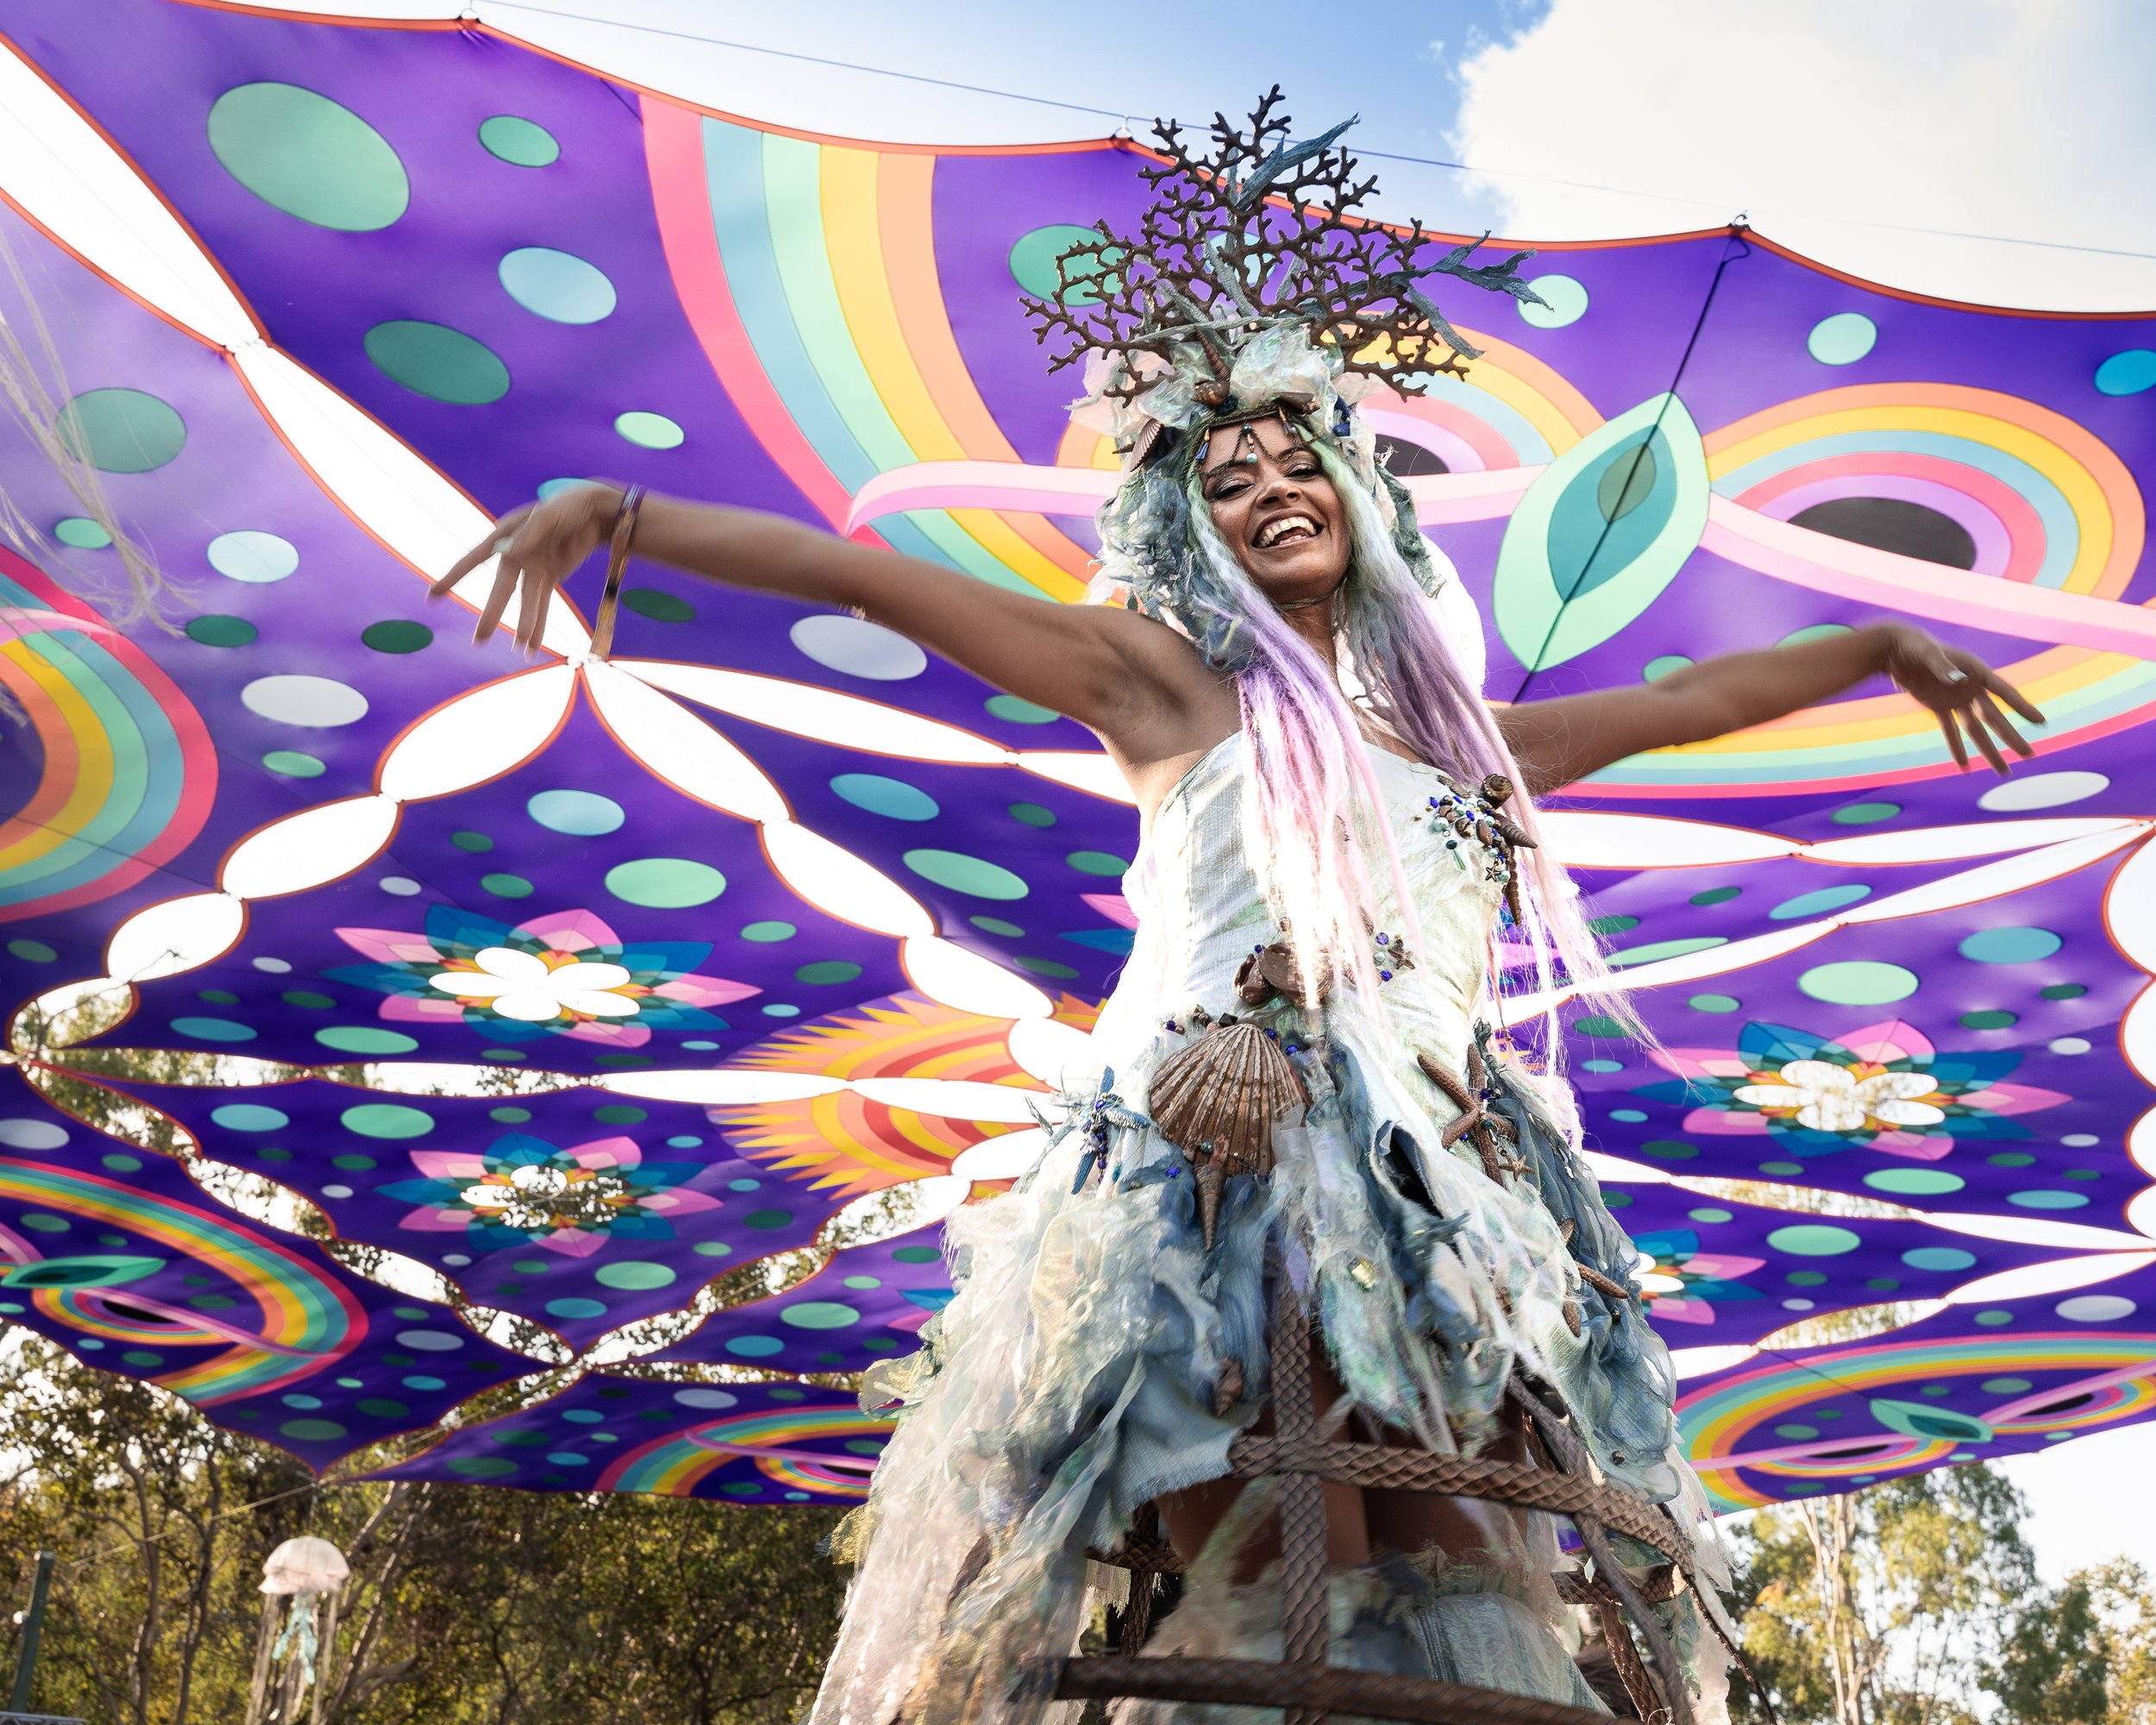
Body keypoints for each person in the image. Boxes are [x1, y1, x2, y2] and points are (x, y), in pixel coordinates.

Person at [437, 99, 2041, 1725]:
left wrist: (1879, 653)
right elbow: (876, 584)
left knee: (1469, 1576)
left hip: (1447, 1196)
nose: (1274, 489)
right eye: (1228, 478)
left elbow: (1692, 699)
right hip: (1227, 1172)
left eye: (1300, 458)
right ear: (1184, 526)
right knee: (1283, 1576)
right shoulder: (1160, 687)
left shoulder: (1467, 746)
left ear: (1356, 487)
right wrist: (622, 519)